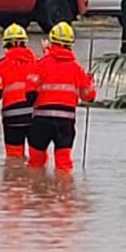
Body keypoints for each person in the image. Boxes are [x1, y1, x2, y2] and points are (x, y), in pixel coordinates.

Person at [26, 22, 97, 171]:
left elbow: (29, 91)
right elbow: (89, 96)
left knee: (35, 164)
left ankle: (35, 191)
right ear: (71, 44)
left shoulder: (41, 64)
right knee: (63, 164)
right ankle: (64, 191)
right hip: (65, 122)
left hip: (41, 121)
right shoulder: (77, 69)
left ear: (52, 42)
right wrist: (90, 81)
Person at [0, 23, 39, 159]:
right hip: (35, 116)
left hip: (12, 118)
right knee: (37, 160)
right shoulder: (37, 62)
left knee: (14, 160)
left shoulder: (0, 65)